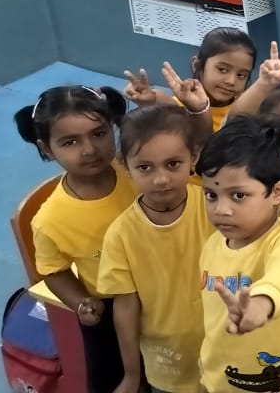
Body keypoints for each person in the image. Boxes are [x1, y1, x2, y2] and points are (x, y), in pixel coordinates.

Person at [15, 85, 135, 392]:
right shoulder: (50, 220)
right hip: (109, 310)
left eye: (99, 133)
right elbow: (54, 270)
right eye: (70, 141)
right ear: (46, 148)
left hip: (167, 294)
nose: (90, 149)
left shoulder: (137, 171)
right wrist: (81, 301)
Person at [196, 115, 280, 392]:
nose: (221, 210)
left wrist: (262, 303)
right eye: (211, 195)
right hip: (223, 383)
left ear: (277, 192)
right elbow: (213, 324)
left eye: (238, 195)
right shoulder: (212, 245)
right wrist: (209, 379)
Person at [98, 105, 212, 393]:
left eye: (173, 164)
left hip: (227, 349)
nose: (161, 179)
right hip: (168, 362)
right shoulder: (120, 236)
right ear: (126, 167)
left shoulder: (215, 209)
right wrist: (131, 375)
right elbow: (125, 309)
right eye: (145, 168)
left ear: (194, 158)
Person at [123, 26, 257, 132]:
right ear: (197, 65)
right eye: (222, 69)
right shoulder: (180, 105)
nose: (231, 81)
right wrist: (149, 100)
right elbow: (164, 104)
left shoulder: (248, 108)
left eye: (241, 75)